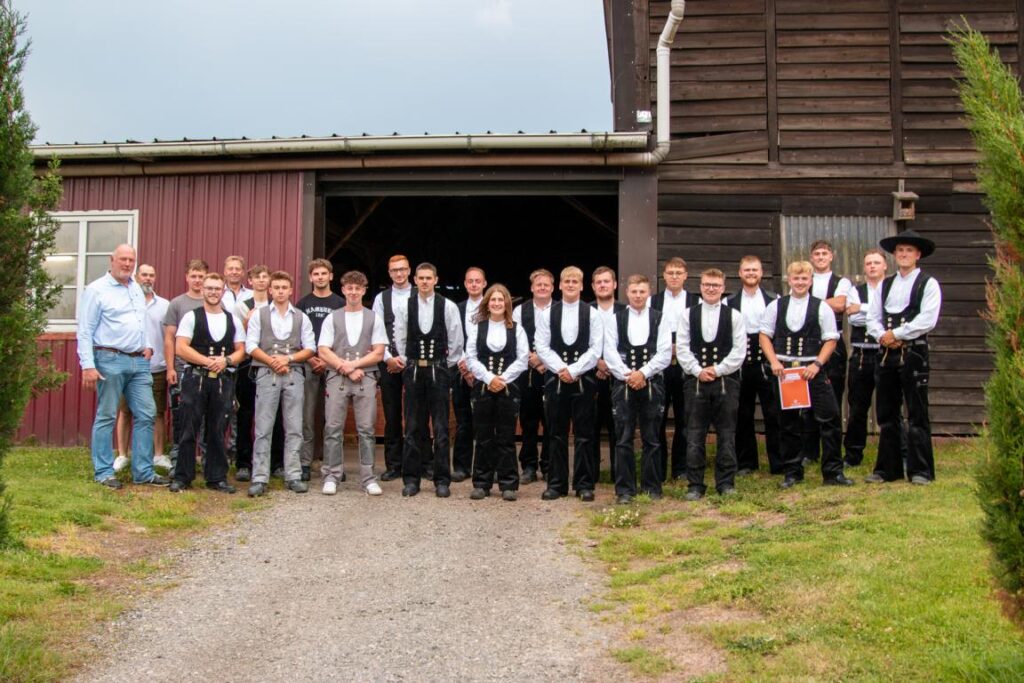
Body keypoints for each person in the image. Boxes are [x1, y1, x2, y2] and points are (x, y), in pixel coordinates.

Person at [77, 244, 168, 488]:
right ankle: (104, 472)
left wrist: (147, 344)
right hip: (109, 359)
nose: (127, 264)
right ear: (112, 260)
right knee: (107, 415)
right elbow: (85, 330)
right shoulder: (96, 290)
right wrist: (87, 364)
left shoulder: (136, 290)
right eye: (123, 259)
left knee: (147, 414)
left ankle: (143, 472)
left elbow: (140, 322)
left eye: (131, 260)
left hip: (139, 361)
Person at [759, 261, 854, 489]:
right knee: (788, 423)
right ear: (789, 280)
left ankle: (833, 472)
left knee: (829, 419)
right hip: (786, 373)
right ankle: (792, 472)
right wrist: (774, 362)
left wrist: (817, 364)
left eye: (804, 279)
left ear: (810, 281)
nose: (800, 283)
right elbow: (764, 336)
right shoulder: (776, 306)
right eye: (796, 278)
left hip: (812, 371)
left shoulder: (822, 307)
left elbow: (831, 338)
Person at [866, 230, 942, 485]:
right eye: (900, 251)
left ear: (918, 255)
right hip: (887, 354)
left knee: (917, 412)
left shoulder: (928, 283)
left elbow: (927, 319)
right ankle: (888, 469)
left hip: (914, 353)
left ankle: (920, 470)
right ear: (895, 255)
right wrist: (883, 337)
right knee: (887, 413)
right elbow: (872, 318)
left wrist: (897, 333)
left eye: (909, 251)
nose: (904, 255)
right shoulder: (885, 284)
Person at [169, 273, 246, 493]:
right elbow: (181, 347)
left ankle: (216, 477)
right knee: (188, 428)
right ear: (202, 290)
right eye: (209, 288)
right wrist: (207, 362)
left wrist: (226, 360)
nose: (213, 292)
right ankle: (183, 477)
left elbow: (241, 349)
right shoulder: (191, 317)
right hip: (195, 379)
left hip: (222, 382)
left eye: (217, 288)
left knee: (218, 429)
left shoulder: (232, 319)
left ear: (223, 291)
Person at [392, 262, 464, 498]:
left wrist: (445, 366)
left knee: (442, 428)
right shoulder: (405, 305)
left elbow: (456, 341)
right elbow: (399, 337)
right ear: (415, 280)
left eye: (428, 278)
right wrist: (406, 360)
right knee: (412, 426)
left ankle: (442, 480)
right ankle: (411, 479)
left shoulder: (448, 306)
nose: (424, 282)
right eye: (420, 278)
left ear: (435, 279)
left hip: (439, 371)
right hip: (413, 371)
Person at [245, 271, 316, 496]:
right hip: (267, 373)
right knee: (263, 427)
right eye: (276, 288)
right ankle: (259, 477)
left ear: (291, 290)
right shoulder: (259, 315)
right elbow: (250, 345)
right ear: (270, 290)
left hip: (294, 374)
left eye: (284, 287)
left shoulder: (301, 317)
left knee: (294, 427)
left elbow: (310, 347)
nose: (280, 291)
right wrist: (273, 361)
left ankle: (293, 475)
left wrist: (289, 359)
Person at [535, 266, 604, 502]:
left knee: (585, 434)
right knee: (556, 433)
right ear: (561, 285)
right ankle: (556, 484)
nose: (571, 284)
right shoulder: (547, 313)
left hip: (583, 380)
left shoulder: (592, 313)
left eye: (576, 281)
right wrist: (561, 369)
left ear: (582, 285)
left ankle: (584, 484)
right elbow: (542, 346)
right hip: (556, 380)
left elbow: (596, 349)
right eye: (567, 281)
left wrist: (573, 370)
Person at [602, 274, 671, 504]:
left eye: (642, 291)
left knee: (652, 437)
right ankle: (625, 490)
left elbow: (664, 353)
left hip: (652, 384)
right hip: (623, 384)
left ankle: (652, 487)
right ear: (627, 293)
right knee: (623, 438)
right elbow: (610, 353)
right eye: (634, 291)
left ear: (648, 292)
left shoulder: (660, 318)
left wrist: (643, 373)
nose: (638, 295)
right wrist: (628, 375)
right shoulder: (615, 319)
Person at [318, 270, 387, 496]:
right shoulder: (332, 317)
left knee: (366, 429)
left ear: (364, 290)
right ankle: (331, 475)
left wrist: (355, 365)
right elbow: (323, 350)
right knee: (333, 428)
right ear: (343, 289)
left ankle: (368, 477)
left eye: (358, 288)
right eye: (350, 288)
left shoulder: (373, 317)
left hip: (364, 377)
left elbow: (378, 352)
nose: (354, 292)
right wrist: (343, 367)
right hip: (337, 377)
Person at [678, 269, 746, 500]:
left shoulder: (734, 316)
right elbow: (682, 348)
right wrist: (698, 370)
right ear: (700, 286)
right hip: (695, 382)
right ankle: (695, 485)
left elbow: (739, 352)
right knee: (695, 435)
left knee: (727, 434)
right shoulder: (688, 315)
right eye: (707, 284)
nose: (711, 288)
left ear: (723, 287)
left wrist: (717, 370)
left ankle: (726, 483)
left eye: (716, 285)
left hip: (726, 382)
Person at [465, 284, 530, 501]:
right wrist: (489, 378)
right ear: (487, 303)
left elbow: (522, 359)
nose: (496, 303)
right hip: (483, 387)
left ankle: (508, 483)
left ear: (507, 303)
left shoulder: (517, 329)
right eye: (492, 300)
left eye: (500, 300)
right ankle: (482, 483)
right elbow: (471, 358)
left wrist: (502, 379)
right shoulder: (477, 327)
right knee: (483, 435)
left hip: (508, 388)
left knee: (506, 436)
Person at [724, 256, 781, 475]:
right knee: (742, 414)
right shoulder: (729, 302)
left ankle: (778, 462)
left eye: (754, 269)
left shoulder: (774, 299)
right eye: (746, 270)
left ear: (761, 272)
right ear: (739, 273)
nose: (750, 273)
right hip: (740, 362)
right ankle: (747, 463)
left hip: (767, 361)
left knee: (773, 413)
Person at [114, 262, 172, 472]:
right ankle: (122, 455)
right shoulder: (125, 302)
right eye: (144, 275)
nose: (148, 278)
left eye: (151, 275)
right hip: (128, 364)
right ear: (137, 277)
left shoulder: (164, 305)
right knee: (125, 411)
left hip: (156, 367)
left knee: (157, 412)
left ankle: (158, 454)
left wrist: (169, 364)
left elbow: (168, 338)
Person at [804, 240, 852, 465]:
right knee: (808, 398)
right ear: (812, 258)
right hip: (809, 344)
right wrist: (825, 304)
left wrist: (811, 304)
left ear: (831, 257)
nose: (821, 257)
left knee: (833, 396)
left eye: (824, 253)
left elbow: (841, 304)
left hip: (834, 343)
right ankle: (810, 451)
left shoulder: (842, 281)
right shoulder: (806, 280)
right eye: (817, 254)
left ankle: (832, 450)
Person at [297, 258, 345, 482]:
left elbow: (346, 336)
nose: (320, 277)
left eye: (324, 274)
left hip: (334, 365)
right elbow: (296, 334)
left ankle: (333, 464)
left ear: (331, 276)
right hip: (308, 364)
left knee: (333, 418)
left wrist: (329, 360)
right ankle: (305, 463)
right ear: (310, 277)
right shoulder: (303, 304)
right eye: (316, 274)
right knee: (307, 416)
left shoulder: (340, 303)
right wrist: (312, 358)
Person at [649, 256, 697, 481]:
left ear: (686, 275)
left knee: (684, 419)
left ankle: (681, 469)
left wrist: (683, 349)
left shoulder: (695, 301)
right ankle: (658, 469)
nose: (675, 276)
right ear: (664, 276)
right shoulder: (653, 301)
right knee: (657, 418)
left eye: (679, 272)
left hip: (686, 367)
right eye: (670, 272)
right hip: (660, 367)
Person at [843, 248, 887, 467]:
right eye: (868, 263)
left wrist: (862, 308)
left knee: (890, 405)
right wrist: (872, 313)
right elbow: (853, 320)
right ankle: (852, 456)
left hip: (886, 352)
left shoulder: (891, 289)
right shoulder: (855, 290)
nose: (872, 266)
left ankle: (899, 452)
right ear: (864, 267)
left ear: (885, 266)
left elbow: (890, 315)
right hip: (861, 354)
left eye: (876, 262)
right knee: (858, 407)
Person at [163, 259, 209, 469]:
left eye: (201, 276)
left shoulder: (215, 302)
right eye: (194, 276)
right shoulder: (177, 304)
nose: (197, 280)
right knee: (182, 416)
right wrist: (171, 367)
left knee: (209, 417)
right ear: (187, 277)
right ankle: (178, 461)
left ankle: (208, 461)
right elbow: (169, 338)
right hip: (183, 369)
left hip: (209, 370)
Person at [372, 254, 414, 481]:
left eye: (403, 269)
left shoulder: (420, 294)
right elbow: (377, 330)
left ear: (409, 271)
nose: (399, 273)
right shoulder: (381, 298)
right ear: (389, 273)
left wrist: (406, 360)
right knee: (392, 415)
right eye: (395, 270)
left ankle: (417, 463)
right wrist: (388, 358)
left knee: (416, 414)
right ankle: (393, 465)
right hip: (388, 363)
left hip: (414, 363)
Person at [233, 264, 276, 481]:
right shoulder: (242, 306)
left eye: (264, 276)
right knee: (246, 413)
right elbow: (238, 334)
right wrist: (246, 321)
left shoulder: (276, 304)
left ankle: (274, 463)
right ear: (250, 281)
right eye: (256, 277)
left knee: (273, 414)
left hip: (271, 363)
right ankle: (243, 462)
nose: (261, 280)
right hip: (248, 365)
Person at [512, 268, 554, 484]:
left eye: (546, 284)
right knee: (528, 420)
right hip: (528, 373)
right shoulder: (519, 311)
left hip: (552, 371)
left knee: (550, 420)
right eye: (539, 284)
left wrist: (545, 360)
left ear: (552, 287)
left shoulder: (560, 309)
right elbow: (516, 340)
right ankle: (528, 465)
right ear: (532, 287)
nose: (542, 288)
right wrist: (533, 359)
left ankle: (548, 465)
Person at [591, 266, 626, 482]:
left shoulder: (625, 311)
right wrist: (597, 363)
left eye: (607, 281)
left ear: (614, 285)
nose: (603, 285)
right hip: (592, 375)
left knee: (618, 427)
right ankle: (591, 474)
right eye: (599, 282)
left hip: (618, 376)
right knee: (591, 426)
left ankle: (618, 474)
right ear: (593, 287)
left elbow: (629, 343)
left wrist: (611, 366)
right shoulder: (586, 310)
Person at [453, 266, 487, 482]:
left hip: (485, 372)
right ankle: (462, 466)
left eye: (478, 281)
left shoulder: (493, 306)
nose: (474, 284)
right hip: (461, 371)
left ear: (484, 283)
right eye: (470, 281)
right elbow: (454, 339)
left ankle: (485, 468)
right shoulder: (457, 309)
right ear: (465, 284)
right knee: (463, 420)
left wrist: (478, 369)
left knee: (485, 422)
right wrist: (464, 365)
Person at [220, 255, 252, 462]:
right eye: (230, 268)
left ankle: (236, 450)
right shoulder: (217, 293)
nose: (234, 272)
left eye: (237, 269)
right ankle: (220, 451)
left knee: (241, 407)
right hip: (222, 355)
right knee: (222, 406)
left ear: (242, 272)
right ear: (225, 271)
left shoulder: (251, 296)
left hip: (246, 356)